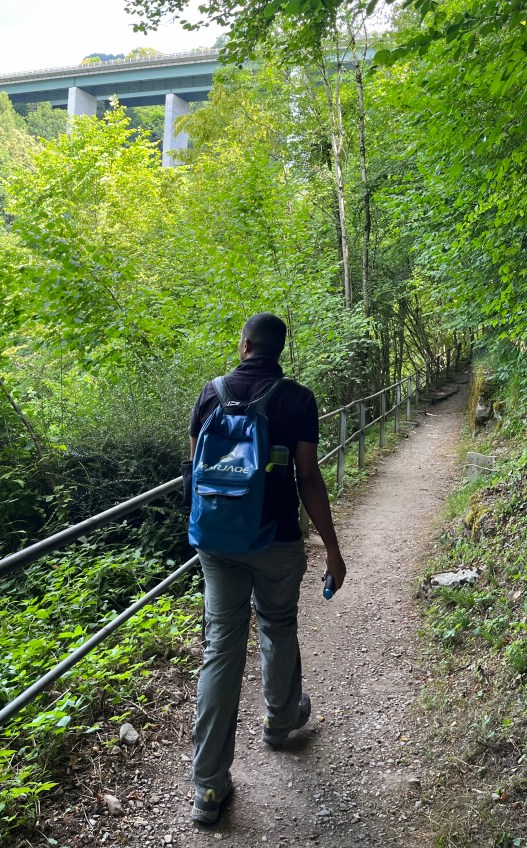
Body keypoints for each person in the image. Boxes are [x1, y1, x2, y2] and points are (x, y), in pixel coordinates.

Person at [187, 312, 347, 825]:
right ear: (279, 351)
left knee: (220, 650)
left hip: (218, 544)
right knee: (278, 624)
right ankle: (279, 722)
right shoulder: (298, 399)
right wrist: (333, 549)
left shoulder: (210, 394)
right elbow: (308, 478)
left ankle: (209, 787)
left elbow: (195, 473)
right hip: (276, 540)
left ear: (244, 346)